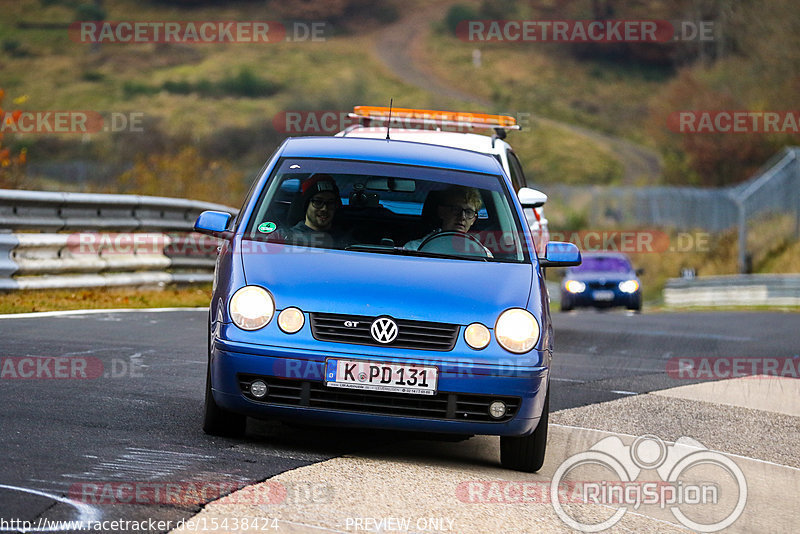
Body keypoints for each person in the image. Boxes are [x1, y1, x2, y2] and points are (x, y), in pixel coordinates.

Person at [404, 185, 491, 256]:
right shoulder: (414, 249)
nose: (462, 216)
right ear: (442, 212)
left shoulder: (483, 254)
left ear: (473, 220)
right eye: (456, 209)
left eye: (469, 212)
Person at [284, 174, 349, 249]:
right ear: (306, 205)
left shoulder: (346, 243)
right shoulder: (285, 238)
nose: (324, 208)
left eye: (330, 203)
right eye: (318, 202)